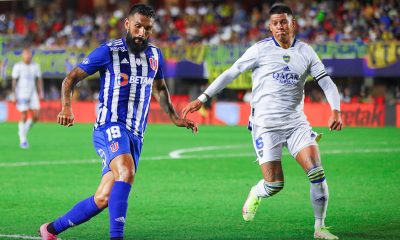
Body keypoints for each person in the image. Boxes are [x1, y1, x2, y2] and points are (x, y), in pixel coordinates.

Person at [183, 3, 342, 240]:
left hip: (297, 123)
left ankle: (320, 228)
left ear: (293, 24)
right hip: (265, 126)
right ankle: (257, 192)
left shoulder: (306, 51)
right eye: (275, 23)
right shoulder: (260, 50)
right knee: (275, 184)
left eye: (284, 22)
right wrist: (203, 98)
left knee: (317, 172)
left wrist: (336, 110)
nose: (280, 27)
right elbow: (231, 72)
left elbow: (326, 81)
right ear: (270, 27)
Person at [39, 4, 197, 240]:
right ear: (127, 24)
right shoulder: (108, 51)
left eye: (147, 29)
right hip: (109, 126)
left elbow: (160, 88)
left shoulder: (155, 55)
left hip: (136, 134)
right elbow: (71, 78)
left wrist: (175, 118)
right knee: (126, 171)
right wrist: (66, 107)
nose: (142, 33)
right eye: (138, 26)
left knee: (103, 198)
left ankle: (51, 230)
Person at [11, 47, 43, 149]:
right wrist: (14, 94)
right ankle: (23, 139)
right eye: (26, 54)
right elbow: (14, 81)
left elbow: (38, 80)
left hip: (32, 93)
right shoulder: (18, 66)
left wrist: (40, 92)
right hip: (22, 93)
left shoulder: (35, 66)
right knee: (24, 115)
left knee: (36, 116)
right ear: (22, 55)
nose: (28, 56)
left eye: (29, 54)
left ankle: (23, 131)